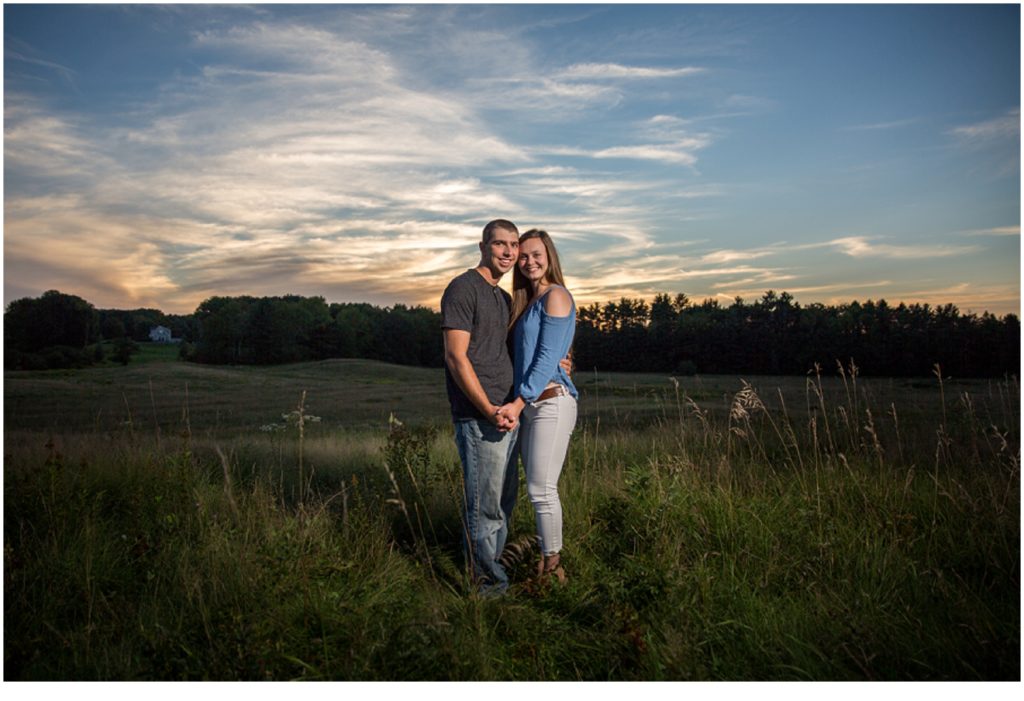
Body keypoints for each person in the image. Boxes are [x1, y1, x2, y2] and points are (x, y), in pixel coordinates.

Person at [440, 219, 523, 595]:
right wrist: (489, 409)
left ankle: (490, 574)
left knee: (502, 506)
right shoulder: (463, 288)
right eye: (499, 244)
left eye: (514, 244)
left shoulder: (502, 298)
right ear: (482, 246)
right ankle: (487, 587)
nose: (508, 252)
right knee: (484, 509)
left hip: (507, 415)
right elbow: (457, 358)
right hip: (480, 417)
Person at [497, 229, 578, 584]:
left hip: (550, 403)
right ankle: (544, 561)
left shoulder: (556, 295)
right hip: (531, 405)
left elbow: (546, 357)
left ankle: (553, 567)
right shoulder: (526, 301)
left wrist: (517, 402)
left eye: (536, 254)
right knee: (535, 488)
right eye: (523, 256)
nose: (529, 261)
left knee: (541, 489)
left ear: (550, 256)